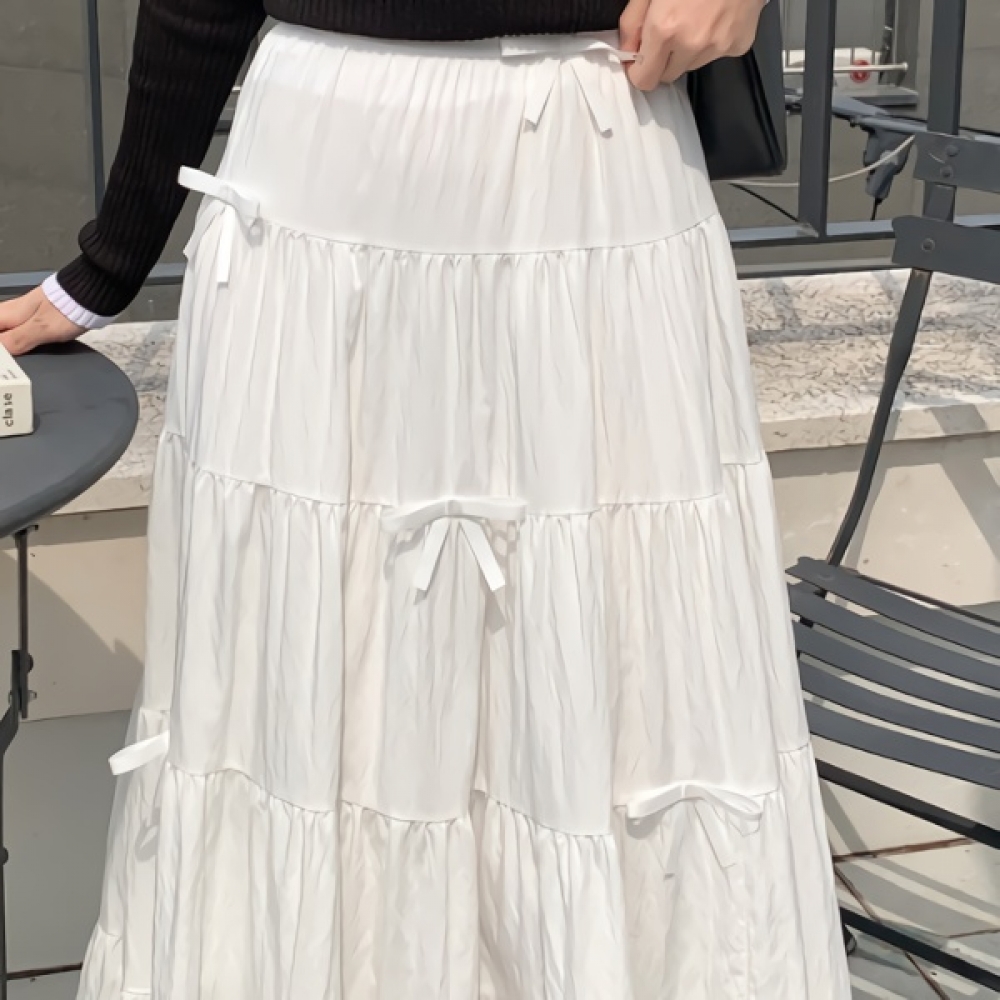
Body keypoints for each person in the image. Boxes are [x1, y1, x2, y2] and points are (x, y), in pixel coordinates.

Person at [0, 0, 851, 997]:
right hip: (323, 185)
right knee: (314, 670)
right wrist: (108, 266)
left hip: (593, 161)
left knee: (611, 652)